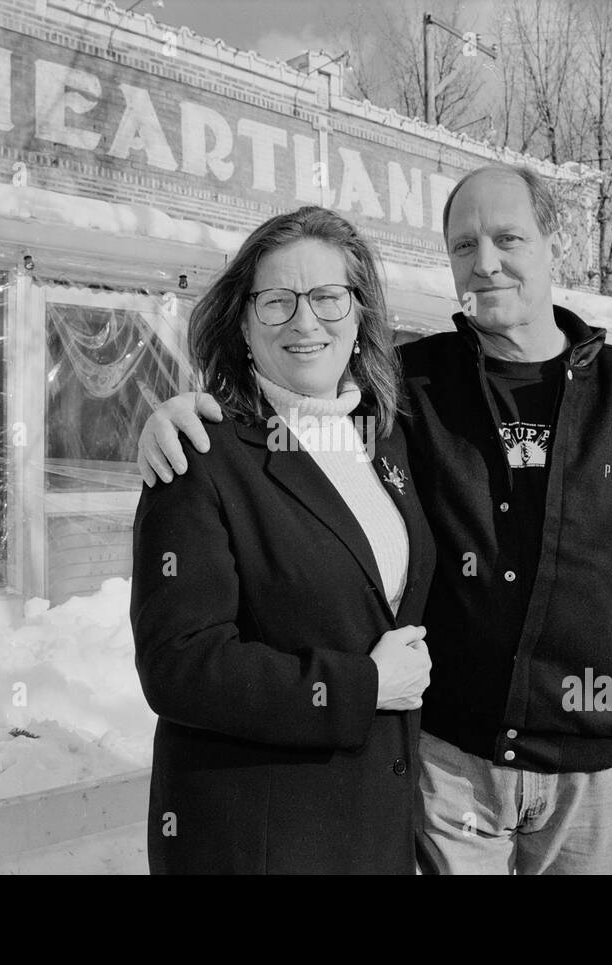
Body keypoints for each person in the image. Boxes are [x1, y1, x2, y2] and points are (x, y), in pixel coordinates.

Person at [137, 165, 612, 875]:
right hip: (448, 765)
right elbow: (292, 408)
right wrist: (178, 415)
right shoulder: (405, 392)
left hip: (599, 772)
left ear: (555, 244)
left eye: (507, 237)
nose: (484, 262)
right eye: (463, 246)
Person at [130, 206, 437, 874]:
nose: (305, 322)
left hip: (371, 830)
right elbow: (178, 664)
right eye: (277, 302)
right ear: (243, 323)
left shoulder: (385, 442)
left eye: (327, 297)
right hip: (261, 842)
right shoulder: (199, 455)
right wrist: (363, 684)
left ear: (359, 316)